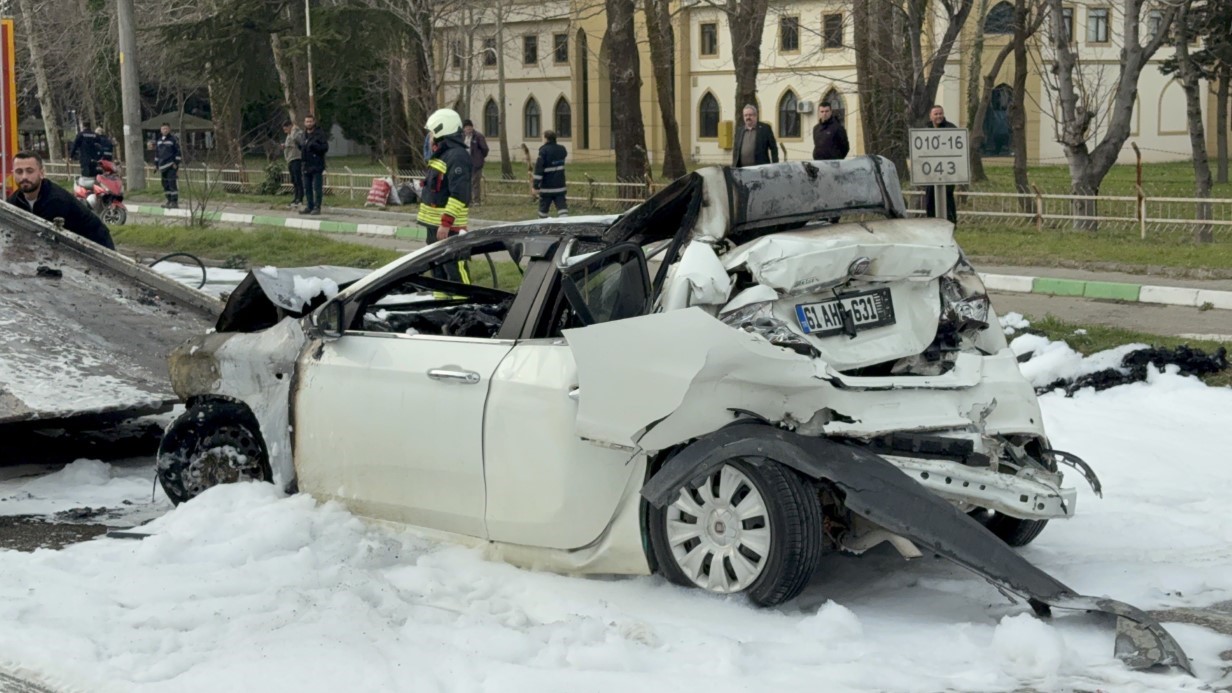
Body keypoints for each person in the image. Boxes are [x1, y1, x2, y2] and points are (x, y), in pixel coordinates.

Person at [9, 151, 115, 250]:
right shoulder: (14, 201)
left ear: (41, 173)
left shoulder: (56, 200)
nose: (24, 176)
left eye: (29, 171)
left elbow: (42, 242)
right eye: (19, 172)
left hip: (97, 247)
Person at [416, 108, 472, 282]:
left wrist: (446, 223)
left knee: (455, 270)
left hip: (449, 228)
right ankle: (443, 305)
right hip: (435, 227)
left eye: (432, 132)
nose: (430, 136)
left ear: (442, 130)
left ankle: (466, 304)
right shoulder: (442, 155)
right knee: (438, 272)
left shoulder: (457, 156)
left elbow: (459, 194)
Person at [812, 103, 850, 223]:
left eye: (826, 111)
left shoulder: (837, 128)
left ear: (831, 112)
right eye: (822, 111)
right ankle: (822, 214)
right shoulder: (816, 129)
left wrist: (836, 159)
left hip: (833, 166)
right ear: (819, 112)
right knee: (821, 190)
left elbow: (845, 147)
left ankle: (834, 215)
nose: (824, 114)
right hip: (819, 166)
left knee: (833, 191)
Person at [924, 105, 958, 225]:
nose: (939, 116)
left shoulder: (951, 129)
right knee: (930, 200)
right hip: (931, 173)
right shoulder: (925, 129)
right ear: (931, 116)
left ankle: (950, 224)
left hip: (947, 173)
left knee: (947, 198)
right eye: (936, 114)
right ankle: (932, 224)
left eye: (940, 113)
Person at [296, 114, 329, 215]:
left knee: (317, 187)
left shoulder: (319, 134)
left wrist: (315, 146)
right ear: (304, 123)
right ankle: (309, 206)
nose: (309, 123)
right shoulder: (304, 135)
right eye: (307, 122)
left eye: (310, 121)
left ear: (314, 122)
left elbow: (325, 148)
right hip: (306, 164)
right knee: (307, 187)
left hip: (316, 164)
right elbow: (302, 147)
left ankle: (317, 206)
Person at [533, 130, 568, 218]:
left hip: (547, 188)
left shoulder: (543, 151)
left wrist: (535, 186)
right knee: (562, 209)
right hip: (560, 186)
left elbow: (538, 170)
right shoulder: (562, 149)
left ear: (546, 139)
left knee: (543, 211)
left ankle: (541, 227)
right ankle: (566, 225)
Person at [155, 123, 182, 209]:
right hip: (162, 166)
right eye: (163, 129)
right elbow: (157, 154)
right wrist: (156, 165)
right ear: (161, 130)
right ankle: (169, 201)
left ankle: (174, 202)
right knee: (165, 184)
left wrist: (176, 163)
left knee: (172, 184)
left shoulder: (173, 140)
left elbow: (178, 152)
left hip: (171, 165)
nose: (165, 130)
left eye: (166, 128)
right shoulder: (159, 140)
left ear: (169, 129)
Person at [463, 119, 489, 205]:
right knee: (467, 182)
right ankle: (468, 200)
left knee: (475, 182)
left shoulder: (478, 136)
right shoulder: (463, 137)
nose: (468, 130)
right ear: (464, 129)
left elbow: (485, 149)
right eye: (467, 128)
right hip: (466, 163)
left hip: (476, 163)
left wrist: (480, 157)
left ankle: (476, 200)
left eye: (470, 128)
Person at [281, 120, 304, 208]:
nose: (285, 131)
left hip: (296, 158)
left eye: (286, 129)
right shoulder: (289, 135)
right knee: (294, 180)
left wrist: (294, 129)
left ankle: (300, 198)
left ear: (290, 126)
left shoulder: (296, 132)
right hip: (290, 159)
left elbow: (297, 140)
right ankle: (296, 197)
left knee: (298, 179)